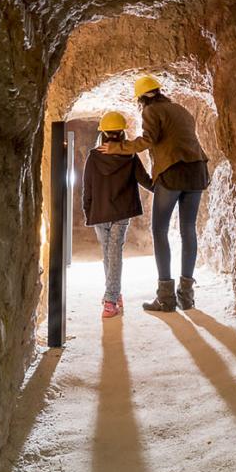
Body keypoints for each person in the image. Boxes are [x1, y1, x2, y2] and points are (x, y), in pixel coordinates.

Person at [99, 75, 209, 313]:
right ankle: (187, 298)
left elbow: (148, 140)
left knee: (159, 231)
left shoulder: (151, 111)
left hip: (173, 173)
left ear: (141, 98)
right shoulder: (180, 109)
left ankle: (166, 299)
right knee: (188, 230)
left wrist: (117, 148)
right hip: (197, 171)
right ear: (159, 91)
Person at [82, 110, 152, 319]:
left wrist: (89, 212)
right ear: (122, 134)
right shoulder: (130, 156)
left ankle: (111, 298)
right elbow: (146, 181)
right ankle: (113, 297)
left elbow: (88, 187)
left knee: (109, 254)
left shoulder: (94, 157)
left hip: (99, 212)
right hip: (121, 212)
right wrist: (168, 186)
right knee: (113, 254)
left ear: (103, 134)